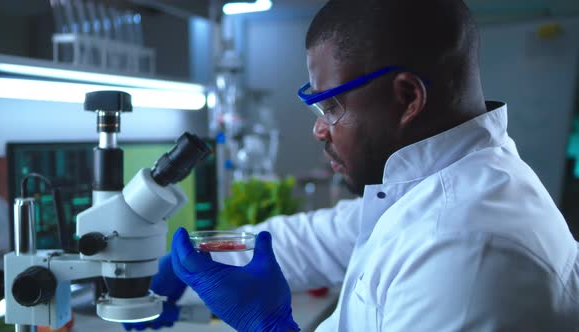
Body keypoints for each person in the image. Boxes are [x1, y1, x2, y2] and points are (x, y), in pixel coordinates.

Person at [126, 0, 579, 330]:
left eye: (331, 107)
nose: (319, 131)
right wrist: (187, 268)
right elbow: (318, 239)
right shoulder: (434, 184)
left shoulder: (468, 252)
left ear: (407, 98)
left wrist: (268, 326)